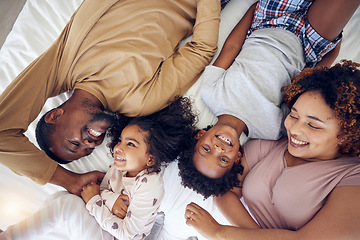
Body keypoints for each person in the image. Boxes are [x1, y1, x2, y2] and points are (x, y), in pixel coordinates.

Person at [0, 0, 221, 195]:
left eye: (74, 143)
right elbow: (201, 49)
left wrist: (68, 181)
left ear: (56, 115)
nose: (90, 143)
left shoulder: (62, 64)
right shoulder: (138, 101)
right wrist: (72, 180)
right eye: (89, 149)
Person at [178, 0, 360, 197]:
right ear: (237, 157)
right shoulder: (272, 130)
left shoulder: (211, 93)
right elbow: (302, 89)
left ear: (198, 136)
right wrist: (329, 57)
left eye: (206, 149)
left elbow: (231, 47)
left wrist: (252, 11)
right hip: (308, 45)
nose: (219, 149)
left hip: (268, 21)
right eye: (223, 159)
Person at [183, 60, 360, 239]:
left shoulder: (353, 175)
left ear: (348, 133)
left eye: (313, 125)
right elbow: (225, 191)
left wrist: (219, 232)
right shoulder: (272, 144)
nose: (295, 130)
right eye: (294, 115)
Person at [1, 97, 198, 240]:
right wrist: (110, 201)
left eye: (131, 144)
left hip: (115, 236)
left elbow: (128, 234)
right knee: (61, 199)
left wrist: (95, 201)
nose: (118, 148)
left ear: (150, 159)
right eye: (120, 141)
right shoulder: (119, 167)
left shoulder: (149, 183)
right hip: (105, 228)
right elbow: (101, 191)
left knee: (66, 205)